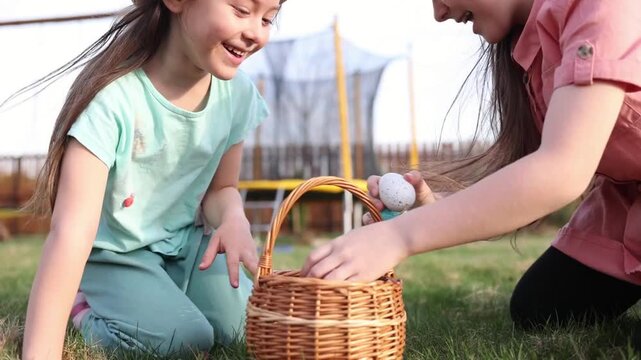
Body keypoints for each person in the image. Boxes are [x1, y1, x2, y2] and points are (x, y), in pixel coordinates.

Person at [302, 0, 641, 331]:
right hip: (628, 204)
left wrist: (398, 237)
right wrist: (434, 207)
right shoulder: (531, 48)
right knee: (541, 309)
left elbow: (562, 171)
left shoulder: (601, 7)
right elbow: (526, 182)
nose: (438, 13)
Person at [18, 0, 284, 358]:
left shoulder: (236, 95)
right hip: (117, 255)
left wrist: (233, 217)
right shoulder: (113, 102)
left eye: (268, 18)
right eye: (239, 9)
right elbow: (71, 232)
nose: (256, 31)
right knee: (187, 341)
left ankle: (165, 296)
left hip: (188, 246)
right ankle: (84, 310)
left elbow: (221, 188)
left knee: (249, 326)